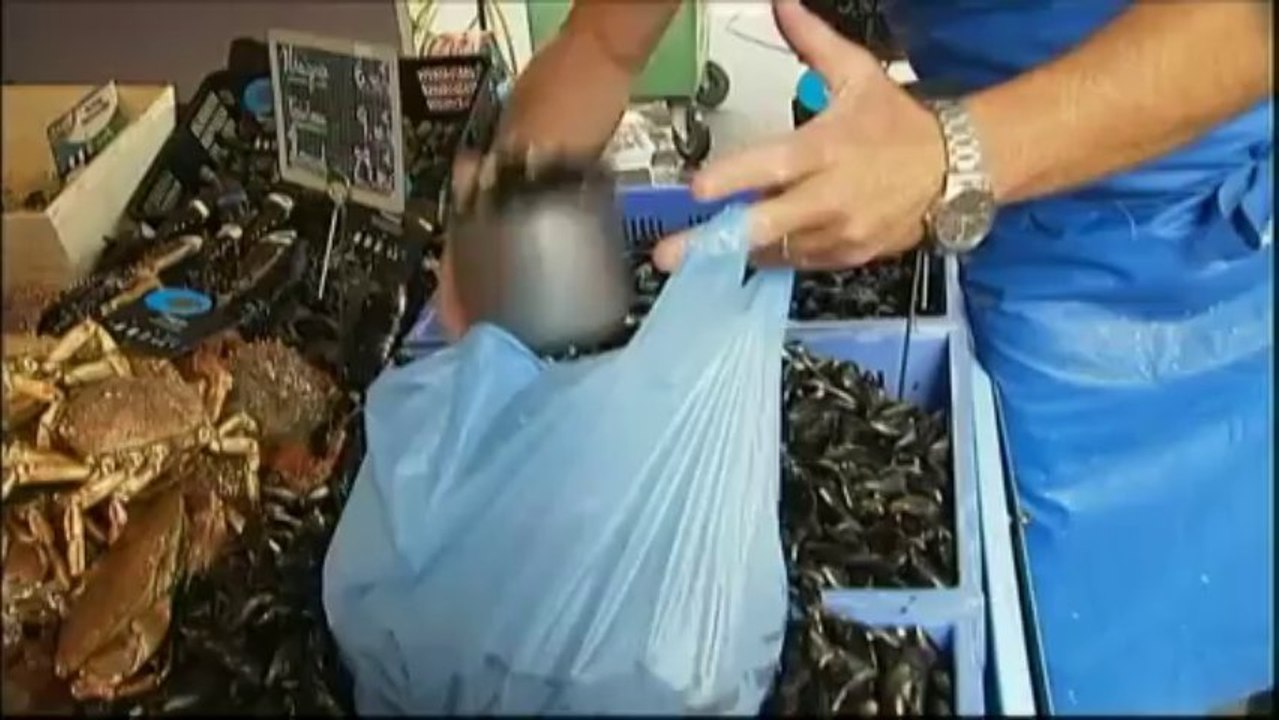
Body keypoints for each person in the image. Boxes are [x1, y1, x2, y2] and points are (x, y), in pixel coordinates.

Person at [435, 0, 1273, 713]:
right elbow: (602, 41)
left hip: (1204, 255)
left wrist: (957, 155)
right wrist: (507, 204)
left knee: (1130, 631)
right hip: (965, 219)